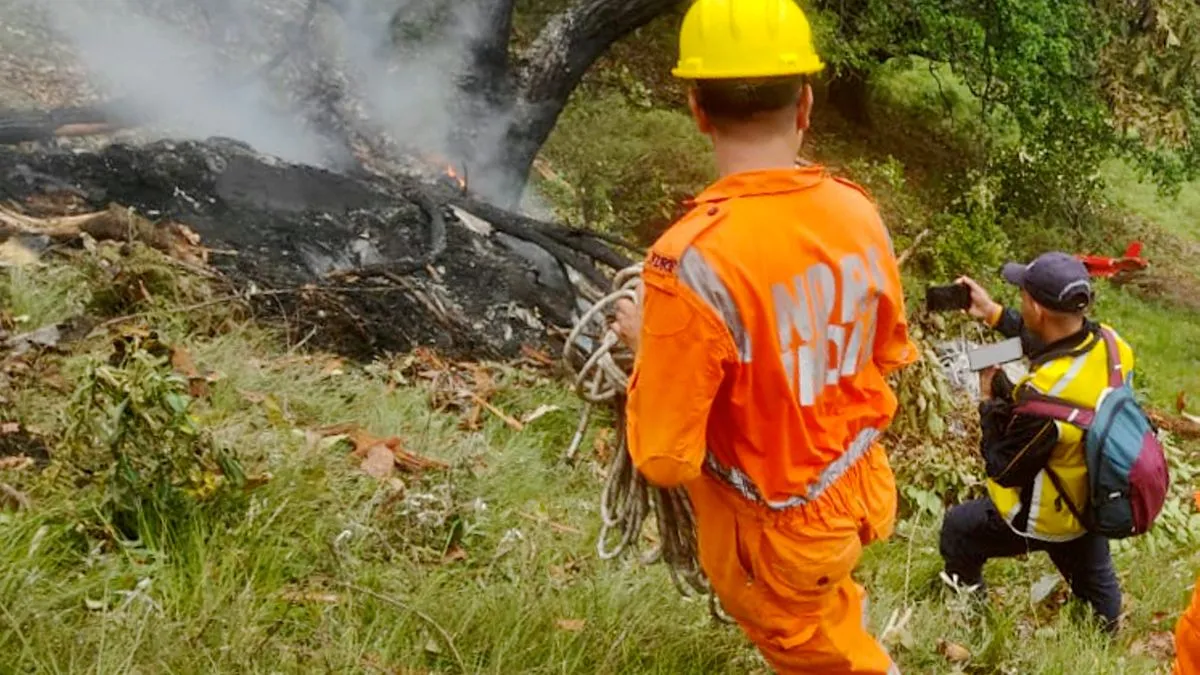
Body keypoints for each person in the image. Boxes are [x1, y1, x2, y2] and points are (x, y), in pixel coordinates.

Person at [611, 0, 918, 671]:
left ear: (696, 108)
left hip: (773, 538)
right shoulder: (858, 212)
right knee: (831, 616)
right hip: (854, 493)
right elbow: (884, 349)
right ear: (805, 104)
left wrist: (649, 351)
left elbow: (665, 460)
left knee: (823, 655)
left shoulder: (691, 261)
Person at [939, 252, 1134, 633]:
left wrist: (988, 402)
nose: (1019, 301)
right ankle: (1108, 634)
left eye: (1022, 296)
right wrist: (993, 313)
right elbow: (1052, 347)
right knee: (1101, 602)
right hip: (1092, 499)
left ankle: (971, 618)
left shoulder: (1043, 401)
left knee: (958, 529)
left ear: (1036, 309)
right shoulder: (1113, 346)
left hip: (1045, 516)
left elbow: (1005, 468)